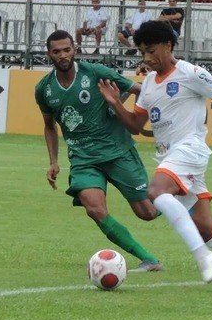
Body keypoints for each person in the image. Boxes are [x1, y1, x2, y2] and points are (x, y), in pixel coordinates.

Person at [97, 20, 212, 289]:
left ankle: (202, 256)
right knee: (207, 229)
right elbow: (136, 126)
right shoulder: (149, 83)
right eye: (142, 52)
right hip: (170, 157)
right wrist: (116, 103)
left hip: (190, 149)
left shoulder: (190, 73)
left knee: (156, 190)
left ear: (168, 46)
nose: (147, 58)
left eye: (151, 51)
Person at [34, 29, 162, 273]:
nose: (63, 55)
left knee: (147, 212)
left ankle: (178, 197)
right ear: (49, 54)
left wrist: (120, 107)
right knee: (94, 208)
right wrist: (53, 161)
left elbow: (140, 90)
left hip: (117, 152)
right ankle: (149, 260)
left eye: (67, 50)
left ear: (75, 50)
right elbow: (49, 126)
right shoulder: (44, 89)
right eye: (56, 51)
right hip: (83, 159)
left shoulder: (95, 73)